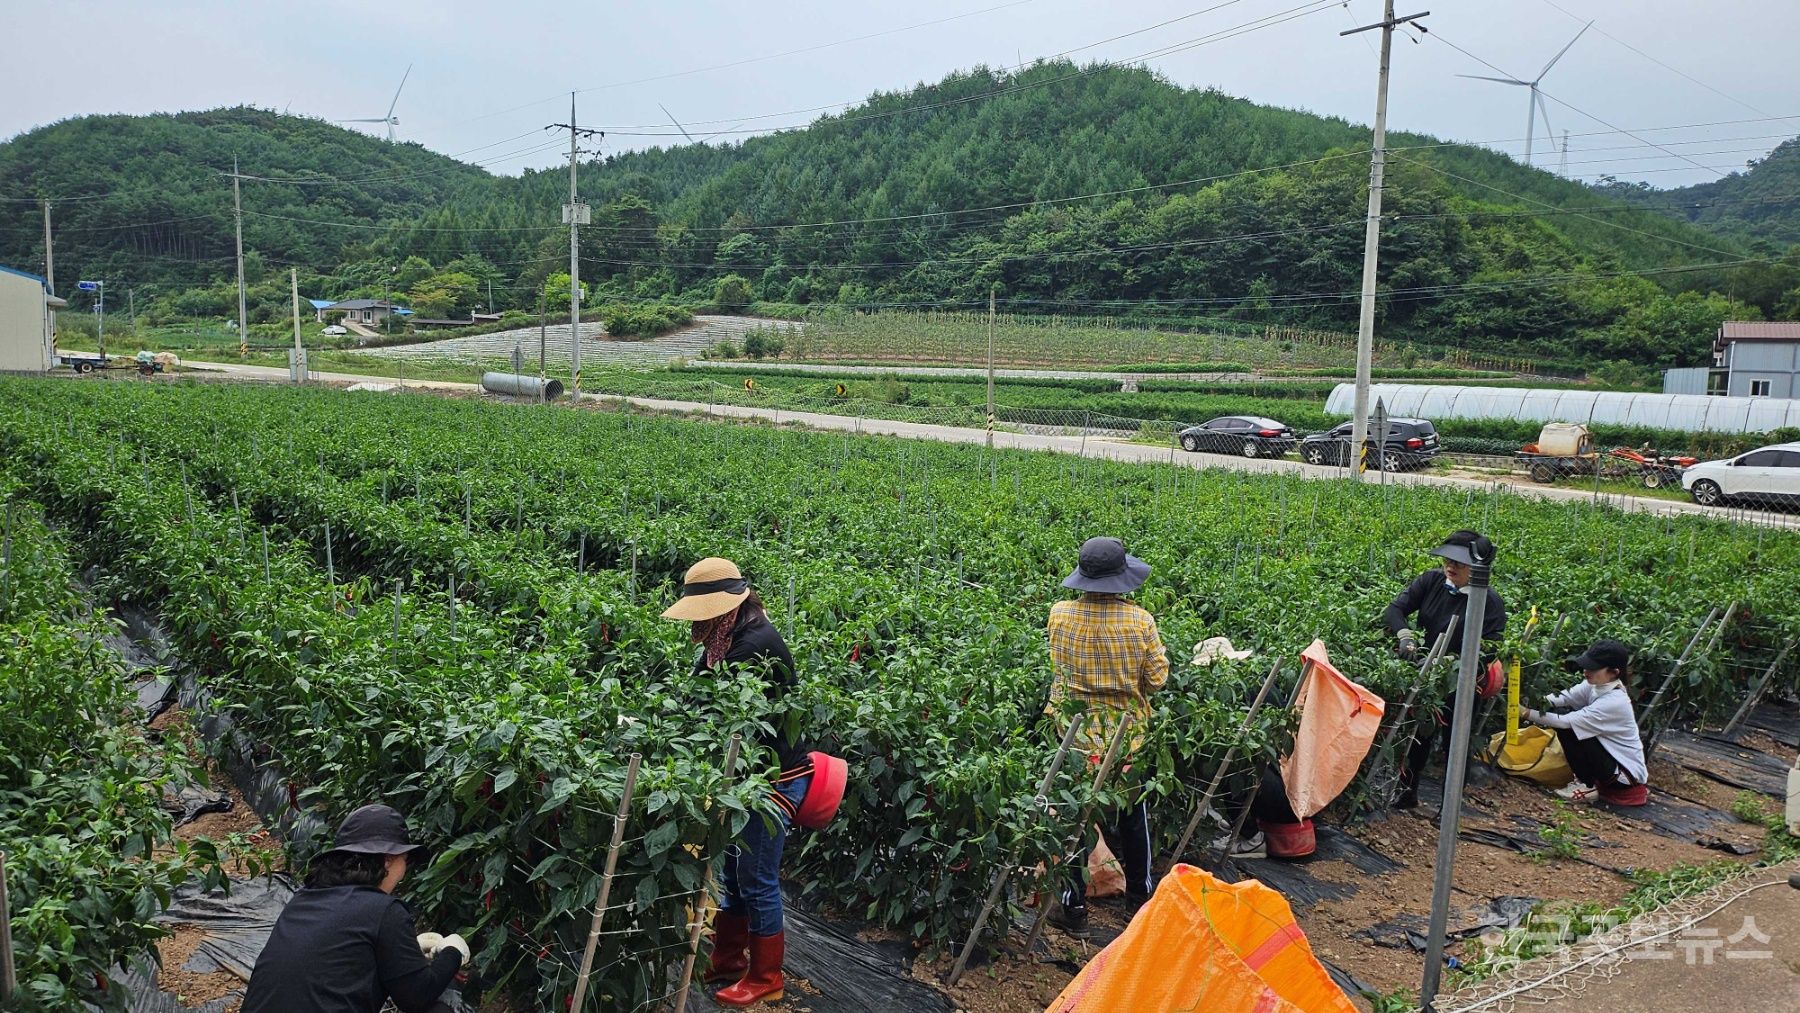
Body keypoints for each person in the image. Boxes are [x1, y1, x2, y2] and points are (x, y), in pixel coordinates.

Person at [666, 557, 812, 1008]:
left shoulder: (753, 644)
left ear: (721, 606)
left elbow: (709, 713)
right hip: (743, 779)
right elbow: (696, 698)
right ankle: (728, 958)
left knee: (757, 878)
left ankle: (766, 975)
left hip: (773, 782)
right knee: (732, 871)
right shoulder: (725, 635)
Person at [1044, 536, 1169, 938]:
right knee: (1134, 817)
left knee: (1076, 822)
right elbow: (1157, 679)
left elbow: (1058, 671)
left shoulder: (1060, 615)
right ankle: (1139, 898)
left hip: (1074, 738)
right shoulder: (1140, 621)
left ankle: (1073, 909)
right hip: (1125, 739)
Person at [243, 804, 469, 1013]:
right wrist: (453, 952)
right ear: (388, 860)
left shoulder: (302, 899)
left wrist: (401, 950)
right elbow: (417, 996)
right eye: (405, 860)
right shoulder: (384, 910)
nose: (405, 870)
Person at [1383, 529, 1508, 809]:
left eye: (1460, 564)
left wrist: (1455, 666)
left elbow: (1491, 648)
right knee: (1419, 736)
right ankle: (1407, 793)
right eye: (1447, 561)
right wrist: (1405, 635)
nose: (1450, 567)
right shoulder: (1431, 581)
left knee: (1456, 743)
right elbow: (1394, 610)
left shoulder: (1489, 602)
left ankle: (1448, 807)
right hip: (1426, 674)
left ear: (1477, 568)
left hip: (1461, 682)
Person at [1521, 639, 1648, 805]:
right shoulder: (1595, 685)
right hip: (1612, 764)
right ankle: (1588, 781)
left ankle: (1587, 785)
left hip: (1624, 777)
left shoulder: (1615, 701)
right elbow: (1565, 697)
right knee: (1567, 719)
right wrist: (1533, 699)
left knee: (1570, 727)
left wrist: (1525, 713)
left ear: (1614, 672)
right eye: (1587, 665)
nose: (1586, 671)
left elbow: (1565, 722)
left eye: (1593, 668)